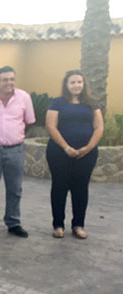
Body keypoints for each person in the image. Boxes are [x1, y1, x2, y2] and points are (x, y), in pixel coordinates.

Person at [0, 66, 35, 238]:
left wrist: (15, 134)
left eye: (11, 79)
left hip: (15, 150)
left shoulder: (24, 97)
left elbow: (29, 121)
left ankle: (13, 222)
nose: (9, 83)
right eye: (5, 79)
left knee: (15, 189)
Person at [45, 70, 103, 239]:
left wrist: (88, 148)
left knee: (80, 189)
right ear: (66, 84)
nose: (76, 85)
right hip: (59, 153)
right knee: (59, 187)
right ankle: (58, 225)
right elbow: (51, 127)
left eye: (79, 82)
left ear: (84, 84)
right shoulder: (57, 103)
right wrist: (66, 148)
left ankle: (78, 225)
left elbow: (99, 128)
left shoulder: (92, 103)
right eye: (73, 82)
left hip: (86, 154)